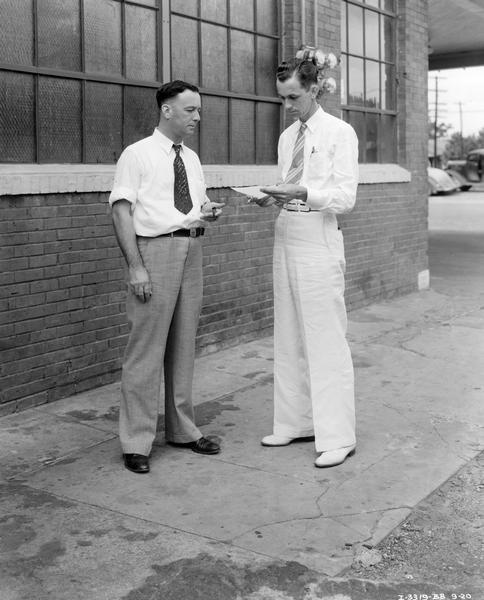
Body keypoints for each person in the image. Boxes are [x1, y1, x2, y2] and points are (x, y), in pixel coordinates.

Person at [109, 80, 224, 474]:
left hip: (192, 249)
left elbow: (194, 202)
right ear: (167, 110)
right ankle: (136, 441)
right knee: (145, 349)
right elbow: (121, 211)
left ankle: (182, 430)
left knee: (183, 346)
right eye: (190, 109)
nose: (197, 116)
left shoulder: (190, 158)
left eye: (199, 110)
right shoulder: (136, 154)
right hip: (154, 253)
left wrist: (208, 209)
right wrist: (136, 266)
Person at [253, 53, 359, 468]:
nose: (288, 105)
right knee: (289, 332)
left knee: (325, 337)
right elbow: (288, 183)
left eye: (293, 97)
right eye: (282, 98)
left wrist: (303, 194)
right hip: (286, 232)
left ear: (314, 89)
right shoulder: (287, 137)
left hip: (318, 234)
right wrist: (269, 196)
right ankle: (295, 422)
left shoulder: (339, 133)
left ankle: (338, 436)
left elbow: (346, 199)